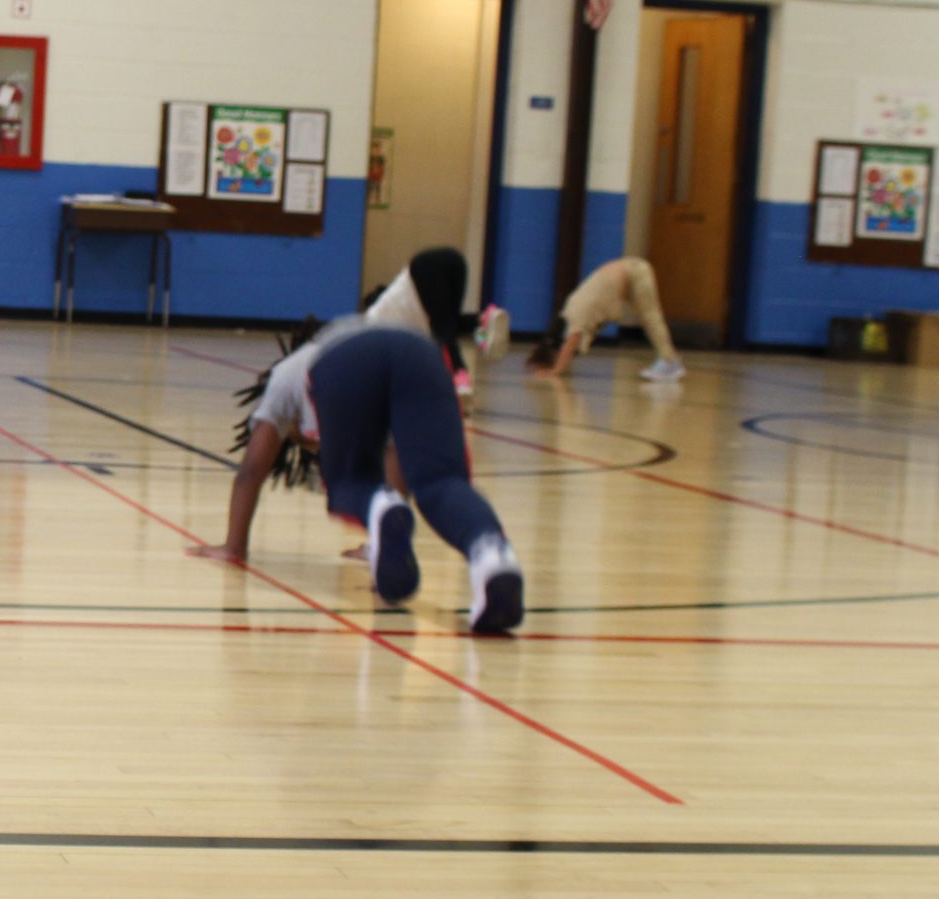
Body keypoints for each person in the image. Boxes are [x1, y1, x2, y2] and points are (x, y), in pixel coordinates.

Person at [188, 318, 525, 634]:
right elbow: (396, 451)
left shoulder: (285, 379)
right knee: (441, 482)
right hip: (422, 353)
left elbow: (250, 471)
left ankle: (377, 505)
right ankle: (492, 555)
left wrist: (234, 547)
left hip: (346, 361)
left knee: (352, 483)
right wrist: (387, 545)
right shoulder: (343, 345)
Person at [363, 246, 510, 395]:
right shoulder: (394, 314)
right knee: (449, 325)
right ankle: (483, 319)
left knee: (442, 329)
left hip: (424, 268)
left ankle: (459, 373)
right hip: (456, 261)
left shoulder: (374, 323)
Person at [528, 255, 684, 381]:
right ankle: (670, 360)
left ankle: (669, 361)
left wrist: (555, 371)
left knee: (651, 317)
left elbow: (571, 343)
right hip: (627, 275)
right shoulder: (571, 310)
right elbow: (568, 344)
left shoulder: (576, 315)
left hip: (635, 272)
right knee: (648, 318)